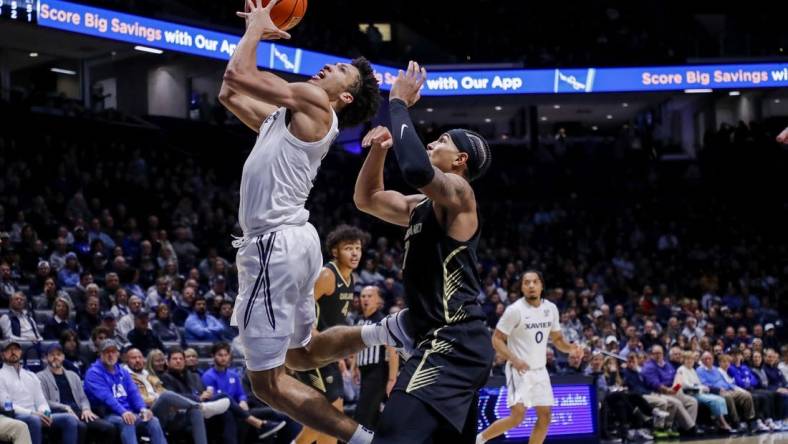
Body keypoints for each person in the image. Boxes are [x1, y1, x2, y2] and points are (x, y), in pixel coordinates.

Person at [221, 2, 389, 444]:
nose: (326, 69)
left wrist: (257, 28)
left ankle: (366, 441)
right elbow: (229, 91)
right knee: (302, 355)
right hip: (294, 240)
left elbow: (241, 75)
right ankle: (388, 330)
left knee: (267, 382)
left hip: (272, 246)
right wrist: (253, 36)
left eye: (337, 71)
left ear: (344, 96)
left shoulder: (316, 104)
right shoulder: (285, 119)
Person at [355, 60, 499, 443]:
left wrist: (398, 104)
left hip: (450, 340)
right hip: (447, 341)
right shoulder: (421, 206)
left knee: (392, 436)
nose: (432, 142)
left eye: (442, 142)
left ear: (460, 161)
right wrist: (380, 150)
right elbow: (367, 200)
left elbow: (417, 167)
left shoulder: (460, 194)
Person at [476, 271, 582, 444]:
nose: (531, 286)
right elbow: (496, 339)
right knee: (517, 417)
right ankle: (479, 439)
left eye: (535, 282)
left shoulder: (551, 309)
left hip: (540, 370)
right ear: (522, 287)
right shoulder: (515, 310)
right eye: (526, 282)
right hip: (519, 370)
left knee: (545, 416)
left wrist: (572, 349)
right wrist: (514, 359)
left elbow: (558, 340)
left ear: (541, 285)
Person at [295, 225, 369, 444]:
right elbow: (300, 306)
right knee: (331, 417)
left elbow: (335, 323)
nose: (355, 253)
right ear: (335, 251)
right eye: (348, 248)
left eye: (357, 248)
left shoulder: (351, 279)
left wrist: (342, 357)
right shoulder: (327, 275)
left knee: (326, 421)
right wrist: (313, 336)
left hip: (326, 355)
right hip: (310, 352)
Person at [125, 348, 228, 444]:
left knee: (195, 412)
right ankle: (201, 406)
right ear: (126, 360)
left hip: (168, 412)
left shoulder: (149, 376)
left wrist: (171, 401)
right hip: (146, 413)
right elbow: (136, 398)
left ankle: (198, 408)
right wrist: (157, 399)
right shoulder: (125, 376)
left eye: (140, 357)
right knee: (166, 396)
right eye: (134, 358)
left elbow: (162, 391)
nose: (138, 360)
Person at [83, 339, 167, 444]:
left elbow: (133, 393)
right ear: (100, 354)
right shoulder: (93, 373)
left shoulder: (123, 372)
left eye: (113, 352)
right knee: (128, 421)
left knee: (153, 420)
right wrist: (123, 412)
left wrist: (142, 409)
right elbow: (106, 397)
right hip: (106, 413)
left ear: (118, 354)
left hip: (127, 412)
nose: (110, 355)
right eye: (107, 352)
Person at [202, 342, 289, 442]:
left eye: (226, 355)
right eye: (220, 355)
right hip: (223, 413)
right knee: (231, 414)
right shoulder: (208, 376)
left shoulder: (233, 375)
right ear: (213, 356)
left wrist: (243, 400)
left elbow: (241, 394)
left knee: (276, 413)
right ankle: (261, 426)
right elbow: (215, 398)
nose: (223, 358)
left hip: (241, 411)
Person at [0, 340, 79, 444]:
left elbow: (41, 401)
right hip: (16, 415)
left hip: (37, 414)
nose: (13, 352)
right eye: (9, 350)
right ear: (2, 355)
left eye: (16, 349)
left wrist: (46, 413)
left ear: (21, 352)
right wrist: (33, 413)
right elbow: (5, 404)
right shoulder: (1, 375)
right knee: (34, 420)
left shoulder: (31, 375)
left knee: (69, 419)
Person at [36, 343, 116, 443]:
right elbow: (44, 401)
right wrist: (65, 407)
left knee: (108, 428)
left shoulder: (73, 375)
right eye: (52, 355)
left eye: (58, 354)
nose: (55, 357)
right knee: (80, 427)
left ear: (63, 357)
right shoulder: (40, 377)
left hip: (79, 413)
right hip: (59, 414)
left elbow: (83, 398)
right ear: (46, 358)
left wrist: (86, 409)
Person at [351, 286, 398, 430]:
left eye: (370, 296)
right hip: (364, 372)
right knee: (372, 416)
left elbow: (393, 352)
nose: (365, 299)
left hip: (377, 373)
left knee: (362, 417)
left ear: (379, 301)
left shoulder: (382, 321)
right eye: (363, 296)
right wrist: (354, 366)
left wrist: (391, 379)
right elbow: (356, 346)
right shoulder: (358, 320)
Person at [696, 351, 764, 433]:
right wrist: (717, 389)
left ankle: (750, 420)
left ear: (713, 360)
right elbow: (704, 384)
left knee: (746, 395)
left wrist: (736, 388)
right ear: (702, 360)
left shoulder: (715, 369)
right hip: (716, 391)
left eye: (709, 358)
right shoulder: (700, 370)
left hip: (728, 389)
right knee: (728, 397)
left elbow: (726, 382)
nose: (707, 360)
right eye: (705, 359)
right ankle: (736, 422)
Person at [641, 345, 700, 435]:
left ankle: (684, 428)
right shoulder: (649, 367)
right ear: (651, 355)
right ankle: (691, 427)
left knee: (692, 401)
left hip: (674, 390)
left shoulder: (666, 364)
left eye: (660, 353)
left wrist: (676, 386)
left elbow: (676, 375)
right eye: (655, 353)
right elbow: (655, 384)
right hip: (659, 392)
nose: (658, 355)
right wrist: (668, 390)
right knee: (676, 402)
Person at [673, 351, 733, 432]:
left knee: (720, 399)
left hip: (697, 392)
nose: (690, 361)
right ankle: (723, 423)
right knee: (716, 400)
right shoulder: (681, 369)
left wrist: (703, 387)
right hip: (689, 393)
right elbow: (685, 385)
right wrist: (700, 388)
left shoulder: (692, 370)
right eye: (687, 359)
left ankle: (719, 423)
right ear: (683, 360)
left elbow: (698, 383)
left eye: (691, 359)